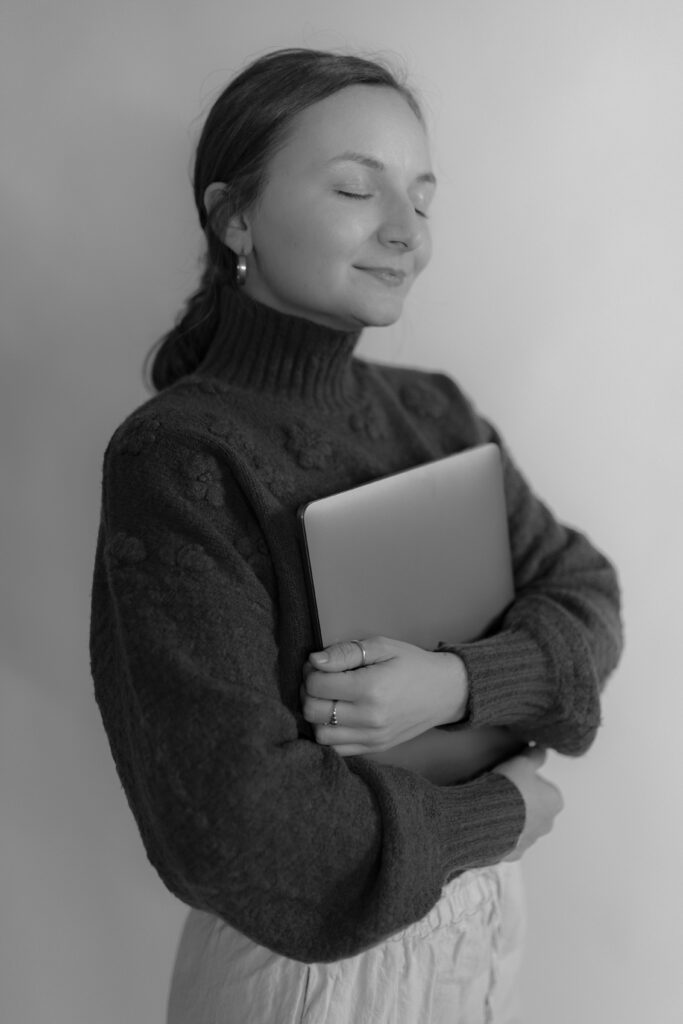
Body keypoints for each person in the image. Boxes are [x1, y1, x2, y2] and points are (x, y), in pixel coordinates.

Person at [90, 48, 622, 1023]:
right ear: (234, 214)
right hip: (311, 970)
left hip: (475, 934)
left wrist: (455, 680)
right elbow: (242, 829)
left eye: (421, 198)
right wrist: (495, 814)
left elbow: (585, 591)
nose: (404, 233)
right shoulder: (179, 457)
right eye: (353, 188)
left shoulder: (434, 413)